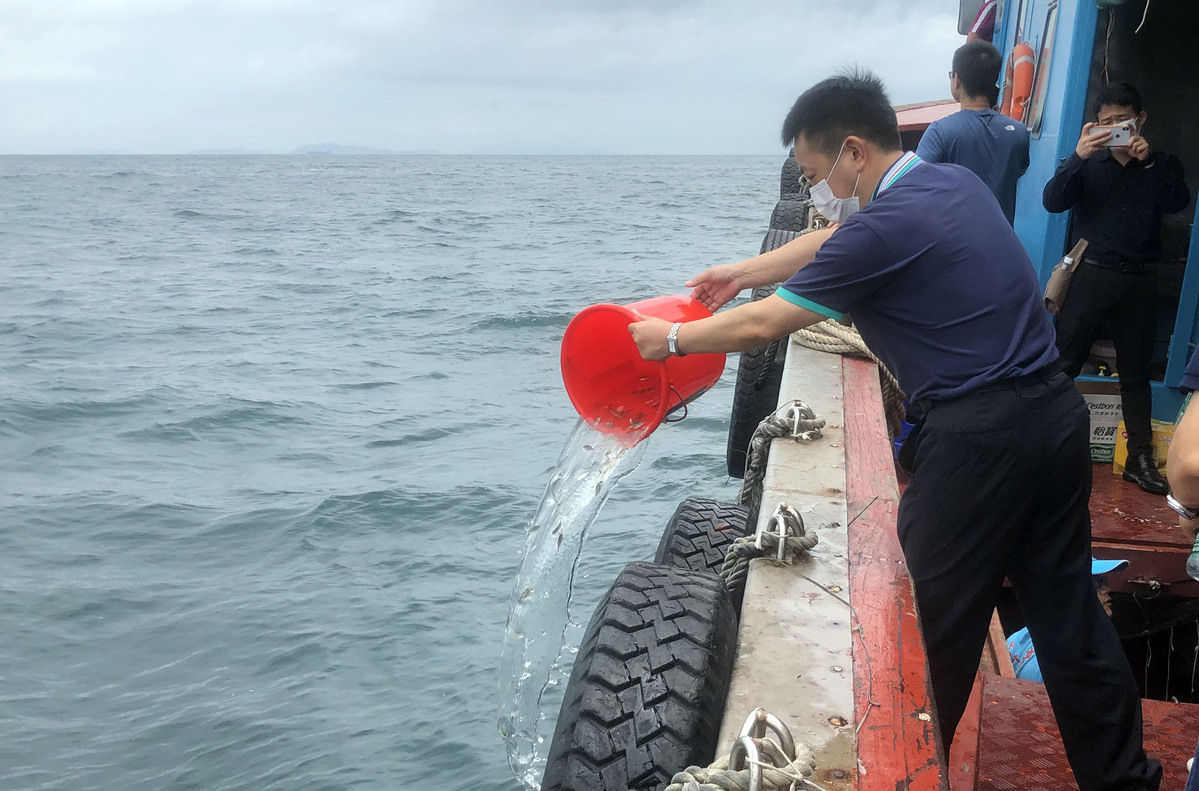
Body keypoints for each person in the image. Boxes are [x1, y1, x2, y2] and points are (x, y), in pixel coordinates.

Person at [629, 69, 1161, 791]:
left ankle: (901, 774)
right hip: (1053, 418)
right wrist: (740, 271)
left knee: (925, 636)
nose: (814, 191)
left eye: (814, 174)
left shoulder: (882, 228)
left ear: (853, 151)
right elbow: (829, 243)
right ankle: (1125, 779)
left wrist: (670, 340)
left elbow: (765, 325)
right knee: (1068, 618)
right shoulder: (949, 186)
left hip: (978, 445)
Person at [1043, 81, 1190, 496]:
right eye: (1105, 122)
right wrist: (1077, 156)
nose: (1114, 129)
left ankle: (1139, 458)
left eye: (1121, 120)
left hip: (1139, 280)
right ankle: (1040, 443)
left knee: (1136, 374)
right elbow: (1053, 201)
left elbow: (1178, 202)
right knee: (1062, 365)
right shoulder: (1087, 162)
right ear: (1095, 125)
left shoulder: (1161, 164)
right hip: (1091, 275)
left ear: (1139, 120)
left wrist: (1146, 161)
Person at [917, 41, 1029, 224]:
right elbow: (1018, 170)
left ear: (957, 79)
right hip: (1001, 237)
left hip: (953, 238)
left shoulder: (940, 132)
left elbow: (917, 185)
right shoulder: (1019, 132)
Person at [1007, 558, 1129, 681]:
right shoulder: (1076, 658)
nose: (1107, 589)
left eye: (1104, 581)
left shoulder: (1020, 637)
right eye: (1098, 582)